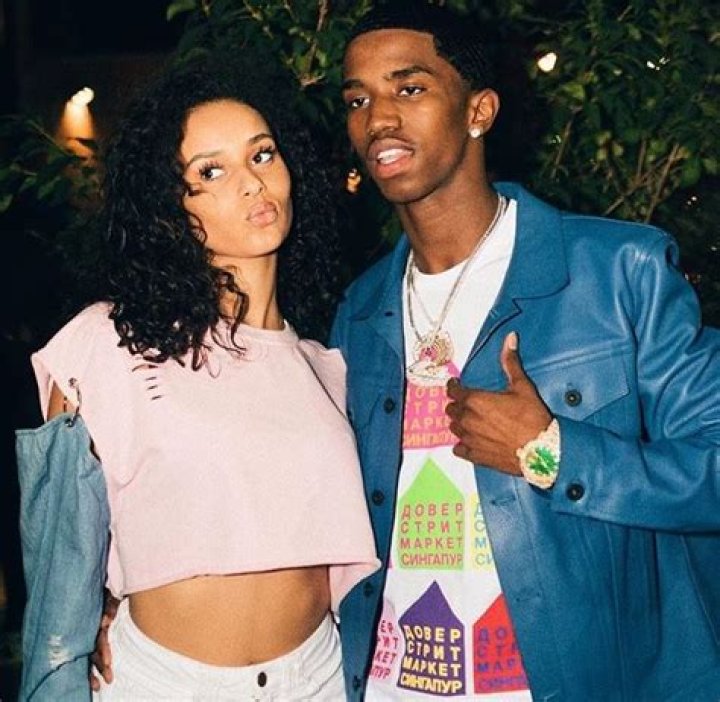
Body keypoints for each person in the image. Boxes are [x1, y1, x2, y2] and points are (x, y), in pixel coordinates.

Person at [331, 3, 720, 701]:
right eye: (357, 100)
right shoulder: (359, 312)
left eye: (409, 88)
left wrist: (552, 452)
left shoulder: (617, 272)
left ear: (478, 111)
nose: (378, 118)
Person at [17, 50, 379, 701]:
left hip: (319, 678)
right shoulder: (109, 343)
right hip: (164, 682)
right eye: (210, 171)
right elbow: (58, 557)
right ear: (170, 208)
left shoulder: (329, 367)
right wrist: (89, 618)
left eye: (262, 155)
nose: (251, 183)